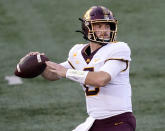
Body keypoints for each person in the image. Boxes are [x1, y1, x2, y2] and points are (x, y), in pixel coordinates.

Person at [25, 6, 136, 131]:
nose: (105, 30)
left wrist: (67, 72)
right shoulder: (77, 52)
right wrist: (40, 63)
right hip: (94, 121)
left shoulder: (119, 48)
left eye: (107, 26)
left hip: (119, 121)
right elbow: (53, 75)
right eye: (99, 26)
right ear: (87, 29)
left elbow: (102, 79)